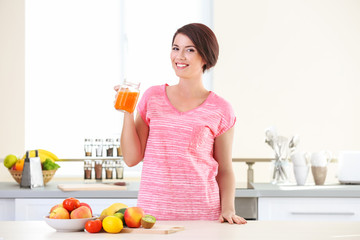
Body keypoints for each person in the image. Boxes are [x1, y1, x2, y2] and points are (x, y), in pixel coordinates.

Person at [115, 23, 247, 224]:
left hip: (203, 219)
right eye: (176, 48)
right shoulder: (152, 98)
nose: (180, 56)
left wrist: (228, 209)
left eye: (190, 50)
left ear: (205, 56)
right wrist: (127, 113)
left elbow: (225, 169)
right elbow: (132, 158)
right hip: (153, 218)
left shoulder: (221, 109)